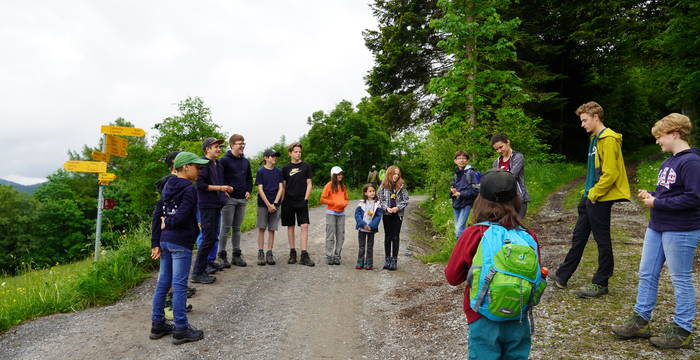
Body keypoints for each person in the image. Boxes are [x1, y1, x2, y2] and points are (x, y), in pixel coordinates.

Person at [612, 113, 700, 349]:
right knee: (646, 273)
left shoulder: (691, 162)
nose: (657, 141)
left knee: (680, 278)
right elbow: (671, 192)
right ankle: (640, 320)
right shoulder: (668, 162)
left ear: (674, 133)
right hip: (657, 227)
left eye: (660, 136)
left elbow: (694, 197)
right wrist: (652, 196)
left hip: (681, 229)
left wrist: (657, 203)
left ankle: (683, 329)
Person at [445, 169, 542, 360]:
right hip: (518, 315)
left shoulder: (474, 234)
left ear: (480, 200)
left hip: (482, 316)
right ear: (516, 199)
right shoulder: (528, 236)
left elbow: (453, 277)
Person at [550, 101, 631, 298]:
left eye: (585, 120)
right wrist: (587, 192)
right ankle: (562, 275)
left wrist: (594, 194)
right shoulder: (595, 138)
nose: (582, 124)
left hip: (600, 198)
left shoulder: (608, 139)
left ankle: (601, 282)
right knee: (579, 237)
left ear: (596, 117)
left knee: (602, 240)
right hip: (590, 196)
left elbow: (610, 173)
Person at [149, 152, 208, 345]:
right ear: (185, 167)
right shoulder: (189, 189)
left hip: (165, 242)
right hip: (180, 242)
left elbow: (158, 214)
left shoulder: (167, 186)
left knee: (163, 283)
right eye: (196, 167)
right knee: (180, 285)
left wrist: (155, 241)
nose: (199, 171)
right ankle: (181, 329)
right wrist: (170, 222)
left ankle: (157, 324)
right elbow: (181, 215)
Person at [191, 138, 232, 284]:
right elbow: (200, 185)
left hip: (216, 204)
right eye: (216, 147)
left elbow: (218, 183)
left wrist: (224, 192)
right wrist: (221, 188)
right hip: (206, 206)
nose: (219, 149)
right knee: (207, 238)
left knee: (214, 236)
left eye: (219, 146)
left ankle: (208, 264)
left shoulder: (218, 164)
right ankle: (197, 272)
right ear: (207, 149)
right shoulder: (202, 164)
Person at [218, 134, 253, 268]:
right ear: (232, 145)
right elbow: (219, 177)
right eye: (239, 143)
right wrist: (223, 190)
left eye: (243, 143)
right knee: (225, 228)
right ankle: (221, 256)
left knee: (237, 228)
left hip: (242, 199)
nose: (242, 146)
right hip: (229, 200)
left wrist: (249, 190)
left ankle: (236, 256)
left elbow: (249, 178)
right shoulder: (224, 161)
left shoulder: (245, 161)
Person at [281, 143, 315, 266]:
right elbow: (283, 186)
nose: (298, 153)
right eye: (295, 151)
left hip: (302, 201)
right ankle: (292, 253)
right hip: (288, 202)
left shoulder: (306, 166)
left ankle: (304, 255)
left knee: (304, 226)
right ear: (290, 153)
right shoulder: (285, 168)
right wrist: (282, 201)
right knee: (290, 226)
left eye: (299, 151)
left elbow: (309, 183)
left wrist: (306, 199)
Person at [255, 149, 284, 266]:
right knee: (262, 228)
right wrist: (268, 204)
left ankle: (269, 252)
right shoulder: (260, 171)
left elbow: (281, 188)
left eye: (275, 156)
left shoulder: (278, 172)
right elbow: (260, 189)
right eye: (272, 156)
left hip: (275, 204)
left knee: (272, 229)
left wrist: (275, 204)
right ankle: (260, 252)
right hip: (263, 204)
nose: (274, 158)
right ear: (266, 158)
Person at [491, 133, 530, 219]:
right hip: (503, 201)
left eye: (501, 147)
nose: (499, 151)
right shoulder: (496, 163)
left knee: (517, 226)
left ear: (508, 142)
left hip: (518, 199)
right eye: (496, 149)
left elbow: (511, 176)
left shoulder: (518, 157)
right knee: (505, 227)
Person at [378, 165, 409, 271]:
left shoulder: (401, 186)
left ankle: (394, 260)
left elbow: (406, 200)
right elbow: (380, 200)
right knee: (388, 237)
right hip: (387, 214)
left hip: (398, 214)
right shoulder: (383, 186)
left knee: (395, 236)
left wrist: (397, 207)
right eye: (394, 174)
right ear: (389, 174)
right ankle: (387, 259)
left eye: (398, 174)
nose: (396, 176)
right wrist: (386, 208)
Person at [320, 166, 349, 265]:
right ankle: (329, 256)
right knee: (330, 235)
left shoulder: (343, 186)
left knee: (340, 235)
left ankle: (337, 256)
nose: (340, 176)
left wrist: (345, 203)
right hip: (331, 213)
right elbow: (322, 199)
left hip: (341, 213)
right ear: (333, 175)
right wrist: (333, 202)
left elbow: (346, 198)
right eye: (338, 174)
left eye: (341, 174)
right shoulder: (329, 185)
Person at [450, 150, 479, 240]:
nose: (461, 160)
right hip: (456, 203)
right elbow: (453, 191)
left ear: (467, 161)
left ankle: (460, 250)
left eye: (463, 158)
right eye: (459, 158)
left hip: (466, 203)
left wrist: (461, 193)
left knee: (459, 229)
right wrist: (452, 191)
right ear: (455, 161)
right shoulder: (456, 174)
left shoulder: (471, 173)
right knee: (457, 229)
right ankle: (464, 246)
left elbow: (476, 191)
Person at [354, 183, 383, 270]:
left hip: (371, 229)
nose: (372, 193)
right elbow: (357, 215)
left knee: (370, 247)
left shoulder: (377, 204)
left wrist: (371, 226)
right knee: (361, 246)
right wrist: (363, 224)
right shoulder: (361, 203)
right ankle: (360, 262)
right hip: (362, 228)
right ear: (365, 193)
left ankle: (369, 263)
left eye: (373, 191)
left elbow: (378, 216)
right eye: (370, 191)